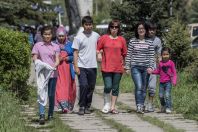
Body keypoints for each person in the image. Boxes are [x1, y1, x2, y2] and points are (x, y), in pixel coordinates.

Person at [97, 19, 127, 114]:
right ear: (109, 28)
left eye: (116, 27)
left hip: (118, 67)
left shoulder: (122, 40)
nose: (114, 29)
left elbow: (125, 53)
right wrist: (99, 54)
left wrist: (126, 65)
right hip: (106, 67)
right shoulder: (104, 38)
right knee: (108, 86)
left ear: (118, 29)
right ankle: (106, 103)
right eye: (112, 27)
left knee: (115, 87)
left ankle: (113, 107)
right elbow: (98, 48)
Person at [32, 26, 60, 125]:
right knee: (41, 93)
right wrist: (39, 64)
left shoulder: (55, 46)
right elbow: (35, 58)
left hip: (53, 73)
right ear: (42, 35)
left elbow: (57, 59)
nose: (47, 36)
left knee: (51, 95)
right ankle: (42, 114)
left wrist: (53, 66)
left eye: (49, 34)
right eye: (45, 34)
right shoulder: (38, 45)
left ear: (52, 35)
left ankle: (51, 114)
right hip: (42, 75)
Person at [125, 21, 155, 114]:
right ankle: (139, 106)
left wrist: (151, 67)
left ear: (145, 30)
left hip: (146, 68)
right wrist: (127, 67)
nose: (141, 30)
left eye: (143, 28)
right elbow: (129, 54)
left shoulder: (150, 42)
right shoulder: (132, 41)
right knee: (139, 86)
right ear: (137, 30)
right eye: (139, 29)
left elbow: (151, 56)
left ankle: (141, 105)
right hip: (135, 67)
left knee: (144, 88)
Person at [72, 16, 100, 115]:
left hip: (93, 66)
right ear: (83, 25)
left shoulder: (96, 35)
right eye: (86, 25)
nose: (88, 26)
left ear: (92, 25)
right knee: (83, 85)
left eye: (90, 24)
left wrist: (99, 54)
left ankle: (88, 105)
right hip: (81, 66)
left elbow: (99, 48)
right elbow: (75, 52)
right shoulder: (78, 37)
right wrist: (76, 66)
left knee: (91, 87)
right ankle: (82, 106)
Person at [147, 47, 177, 114]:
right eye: (164, 54)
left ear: (169, 55)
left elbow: (174, 73)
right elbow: (158, 71)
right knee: (160, 96)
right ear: (161, 55)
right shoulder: (160, 63)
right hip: (161, 83)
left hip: (168, 82)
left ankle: (168, 107)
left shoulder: (171, 63)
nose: (165, 56)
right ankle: (163, 106)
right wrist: (152, 71)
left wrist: (174, 81)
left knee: (167, 95)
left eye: (167, 54)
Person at [54, 26, 76, 113]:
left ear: (66, 35)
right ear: (57, 36)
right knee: (59, 86)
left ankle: (68, 105)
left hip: (68, 69)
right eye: (59, 36)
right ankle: (61, 105)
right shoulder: (54, 44)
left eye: (63, 36)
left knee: (68, 86)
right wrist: (57, 58)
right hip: (58, 68)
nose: (61, 38)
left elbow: (74, 56)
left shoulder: (70, 44)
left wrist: (68, 58)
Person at [146, 22, 162, 112]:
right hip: (143, 64)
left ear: (155, 30)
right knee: (143, 86)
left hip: (153, 66)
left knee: (152, 87)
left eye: (153, 30)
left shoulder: (157, 40)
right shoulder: (143, 38)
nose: (151, 31)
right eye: (150, 29)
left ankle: (150, 104)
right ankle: (142, 103)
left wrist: (161, 67)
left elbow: (159, 55)